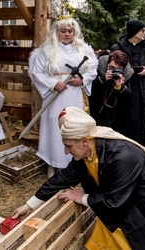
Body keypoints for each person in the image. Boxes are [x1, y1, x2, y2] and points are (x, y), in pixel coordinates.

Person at [11, 106, 145, 249]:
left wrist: (82, 198)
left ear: (84, 140)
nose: (66, 151)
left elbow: (114, 203)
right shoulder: (86, 152)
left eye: (68, 146)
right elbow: (61, 179)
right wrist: (28, 206)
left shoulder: (124, 156)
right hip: (136, 199)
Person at [28, 14, 98, 172]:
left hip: (74, 95)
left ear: (75, 32)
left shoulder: (83, 49)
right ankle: (53, 162)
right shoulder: (47, 50)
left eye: (70, 30)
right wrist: (52, 84)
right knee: (54, 125)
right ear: (56, 32)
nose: (66, 34)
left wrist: (83, 79)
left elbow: (92, 69)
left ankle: (73, 165)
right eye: (63, 31)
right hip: (55, 97)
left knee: (73, 126)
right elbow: (36, 72)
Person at [110, 19, 145, 146]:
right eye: (142, 30)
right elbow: (110, 65)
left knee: (138, 121)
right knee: (121, 118)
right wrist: (125, 71)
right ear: (134, 31)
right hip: (123, 86)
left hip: (140, 88)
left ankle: (137, 150)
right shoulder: (117, 47)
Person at [89, 50, 132, 136]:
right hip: (96, 118)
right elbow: (91, 94)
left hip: (114, 123)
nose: (114, 71)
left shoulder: (124, 82)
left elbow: (125, 106)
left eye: (118, 69)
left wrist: (119, 87)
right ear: (107, 66)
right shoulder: (98, 78)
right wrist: (103, 80)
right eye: (112, 67)